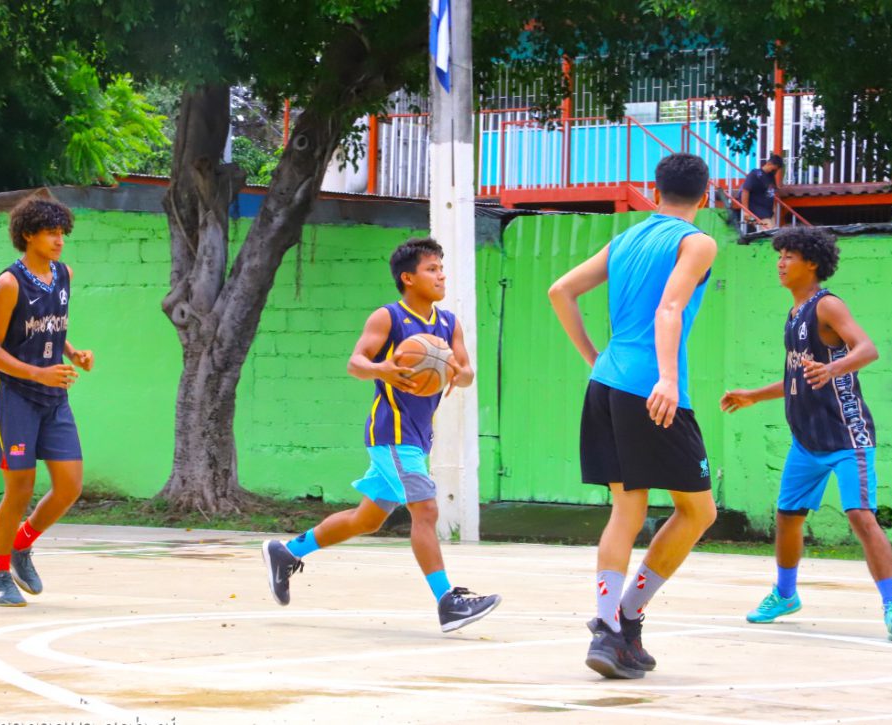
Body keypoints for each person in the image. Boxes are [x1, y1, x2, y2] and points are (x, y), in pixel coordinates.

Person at [261, 238, 501, 632]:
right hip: (391, 433)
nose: (441, 276)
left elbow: (466, 372)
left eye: (441, 269)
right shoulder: (388, 317)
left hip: (418, 437)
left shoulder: (448, 324)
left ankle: (286, 552)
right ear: (408, 278)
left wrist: (459, 372)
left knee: (367, 519)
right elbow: (356, 363)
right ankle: (448, 602)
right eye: (431, 269)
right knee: (426, 510)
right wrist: (381, 369)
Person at [548, 153, 719, 680]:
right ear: (705, 195)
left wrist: (591, 356)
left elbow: (560, 291)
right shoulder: (697, 242)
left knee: (626, 510)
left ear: (654, 190)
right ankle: (623, 617)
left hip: (605, 382)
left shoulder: (625, 239)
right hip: (650, 388)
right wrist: (667, 378)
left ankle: (611, 628)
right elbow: (669, 308)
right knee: (698, 512)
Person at [720, 227, 892, 641]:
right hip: (806, 440)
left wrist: (833, 368)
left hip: (846, 436)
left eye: (789, 256)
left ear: (811, 263)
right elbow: (797, 377)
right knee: (788, 516)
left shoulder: (827, 305)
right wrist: (753, 395)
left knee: (860, 515)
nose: (780, 263)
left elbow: (867, 348)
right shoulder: (794, 315)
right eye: (779, 256)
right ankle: (785, 594)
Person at [0, 196, 93, 606]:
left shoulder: (63, 274)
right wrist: (37, 372)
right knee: (20, 489)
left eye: (62, 233)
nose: (59, 240)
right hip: (16, 397)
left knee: (69, 486)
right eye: (50, 233)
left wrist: (72, 352)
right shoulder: (10, 284)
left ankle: (21, 545)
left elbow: (48, 327)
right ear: (28, 235)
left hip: (54, 397)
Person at [739, 153, 784, 229]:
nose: (775, 172)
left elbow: (771, 192)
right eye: (774, 170)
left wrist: (774, 209)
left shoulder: (771, 177)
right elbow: (745, 190)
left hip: (768, 212)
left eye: (776, 170)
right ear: (769, 163)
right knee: (768, 231)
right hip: (756, 212)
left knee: (773, 232)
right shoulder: (755, 174)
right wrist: (746, 211)